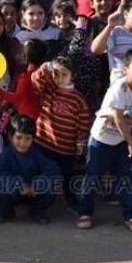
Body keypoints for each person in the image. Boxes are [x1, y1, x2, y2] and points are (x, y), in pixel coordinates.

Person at [77, 49, 132, 232]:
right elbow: (118, 117)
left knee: (126, 177)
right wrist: (131, 142)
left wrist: (123, 121)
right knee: (92, 175)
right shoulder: (119, 87)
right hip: (101, 139)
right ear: (126, 69)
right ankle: (84, 213)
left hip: (121, 140)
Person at [30, 57, 90, 208]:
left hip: (66, 148)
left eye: (64, 74)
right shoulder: (48, 90)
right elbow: (35, 80)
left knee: (66, 175)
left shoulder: (78, 99)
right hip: (43, 143)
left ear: (72, 75)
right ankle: (37, 203)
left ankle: (70, 200)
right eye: (56, 74)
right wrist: (46, 66)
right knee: (41, 173)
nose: (59, 78)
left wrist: (80, 142)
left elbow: (83, 122)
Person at [0, 114, 58, 224]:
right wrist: (18, 184)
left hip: (33, 192)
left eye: (27, 138)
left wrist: (37, 184)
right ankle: (6, 212)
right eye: (19, 137)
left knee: (52, 189)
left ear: (33, 139)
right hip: (14, 191)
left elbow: (52, 170)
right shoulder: (6, 154)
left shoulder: (37, 153)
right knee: (0, 188)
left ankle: (36, 210)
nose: (22, 143)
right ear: (11, 137)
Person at [91, 0, 132, 83]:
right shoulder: (116, 32)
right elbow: (96, 49)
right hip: (120, 87)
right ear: (126, 14)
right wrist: (109, 26)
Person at [0, 38, 46, 120]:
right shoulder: (44, 74)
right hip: (39, 114)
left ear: (25, 56)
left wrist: (0, 92)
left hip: (26, 115)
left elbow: (18, 98)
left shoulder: (26, 77)